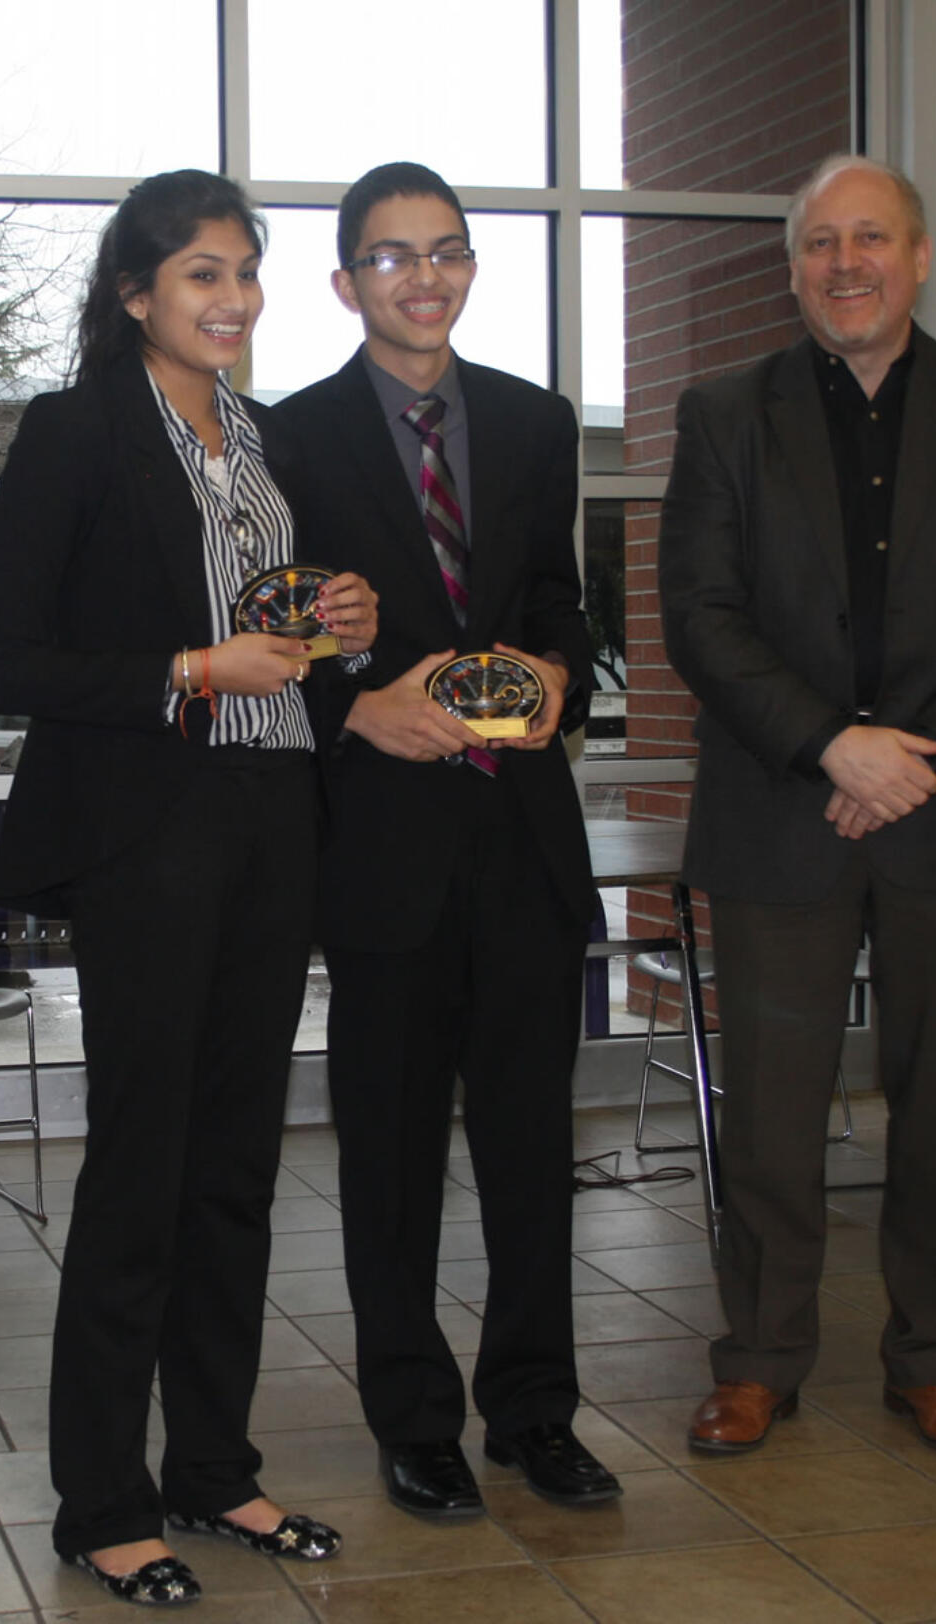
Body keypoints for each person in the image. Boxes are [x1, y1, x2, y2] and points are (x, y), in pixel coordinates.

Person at [0, 170, 377, 1605]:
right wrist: (190, 670)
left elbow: (284, 629)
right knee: (142, 1169)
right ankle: (103, 1498)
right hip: (152, 827)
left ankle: (212, 1471)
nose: (233, 299)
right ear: (137, 293)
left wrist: (340, 621)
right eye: (201, 274)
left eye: (246, 272)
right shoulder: (76, 432)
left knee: (238, 1166)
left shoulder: (257, 444)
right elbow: (2, 664)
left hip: (274, 813)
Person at [658, 154, 936, 1458]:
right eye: (819, 244)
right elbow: (700, 612)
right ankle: (760, 1357)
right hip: (782, 814)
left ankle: (935, 1357)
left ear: (917, 258)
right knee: (770, 1114)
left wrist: (923, 756)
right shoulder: (724, 411)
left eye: (869, 240)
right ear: (792, 268)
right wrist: (834, 748)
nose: (844, 263)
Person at [275, 162, 621, 1518]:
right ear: (348, 280)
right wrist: (361, 710)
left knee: (536, 1153)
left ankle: (534, 1413)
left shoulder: (536, 425)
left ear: (469, 268)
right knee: (393, 1157)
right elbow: (283, 640)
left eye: (445, 253)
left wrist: (554, 679)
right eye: (390, 255)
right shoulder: (289, 439)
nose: (422, 277)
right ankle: (411, 1418)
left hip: (523, 850)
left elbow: (563, 610)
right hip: (384, 857)